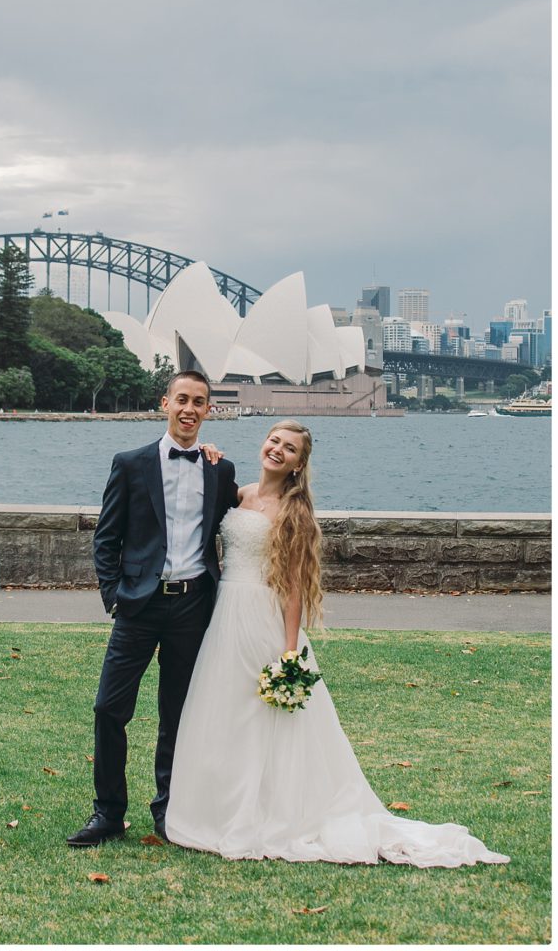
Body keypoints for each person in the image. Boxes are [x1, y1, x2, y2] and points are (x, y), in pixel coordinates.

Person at [165, 420, 510, 867]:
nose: (277, 450)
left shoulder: (295, 512)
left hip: (261, 620)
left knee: (263, 721)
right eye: (274, 440)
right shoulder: (240, 493)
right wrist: (207, 452)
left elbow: (293, 586)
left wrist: (289, 652)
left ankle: (265, 815)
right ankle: (218, 809)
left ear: (298, 464)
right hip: (224, 614)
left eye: (289, 449)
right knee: (224, 713)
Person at [67, 370, 238, 847]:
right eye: (181, 399)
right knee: (108, 708)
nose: (189, 409)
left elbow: (250, 513)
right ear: (165, 403)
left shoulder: (220, 470)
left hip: (193, 607)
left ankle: (170, 811)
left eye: (199, 402)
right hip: (138, 607)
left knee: (178, 715)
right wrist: (114, 596)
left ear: (209, 410)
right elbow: (106, 539)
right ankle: (108, 813)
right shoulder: (130, 463)